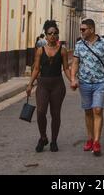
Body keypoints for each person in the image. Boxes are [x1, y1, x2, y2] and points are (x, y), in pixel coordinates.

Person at [71, 19, 104, 157]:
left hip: (100, 82)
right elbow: (75, 63)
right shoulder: (79, 45)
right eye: (81, 29)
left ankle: (97, 142)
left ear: (91, 29)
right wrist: (73, 79)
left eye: (83, 29)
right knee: (88, 112)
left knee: (97, 110)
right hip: (84, 82)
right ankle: (90, 138)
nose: (81, 32)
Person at [26, 20, 71, 153]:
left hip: (58, 85)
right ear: (45, 36)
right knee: (40, 112)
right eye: (50, 33)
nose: (53, 35)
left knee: (55, 113)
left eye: (55, 33)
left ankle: (54, 141)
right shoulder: (40, 51)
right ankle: (43, 137)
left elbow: (66, 68)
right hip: (43, 85)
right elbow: (36, 69)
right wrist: (30, 84)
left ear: (58, 35)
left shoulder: (63, 51)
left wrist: (73, 80)